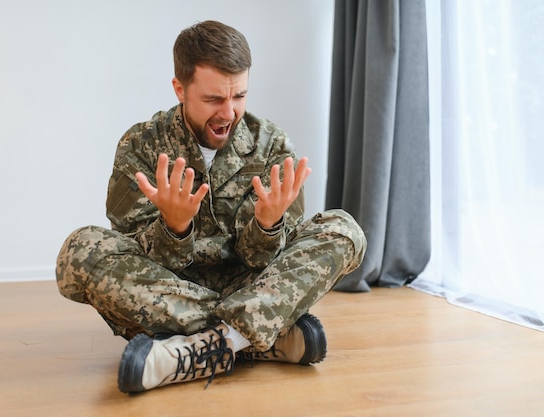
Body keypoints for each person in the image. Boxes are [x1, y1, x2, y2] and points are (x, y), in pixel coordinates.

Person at [56, 20, 366, 393]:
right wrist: (173, 228)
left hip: (249, 283)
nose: (229, 112)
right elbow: (135, 254)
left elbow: (265, 261)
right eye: (214, 99)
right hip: (171, 291)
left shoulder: (271, 145)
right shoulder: (140, 145)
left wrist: (268, 225)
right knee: (80, 251)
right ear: (180, 89)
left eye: (239, 96)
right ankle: (262, 337)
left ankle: (202, 349)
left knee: (344, 230)